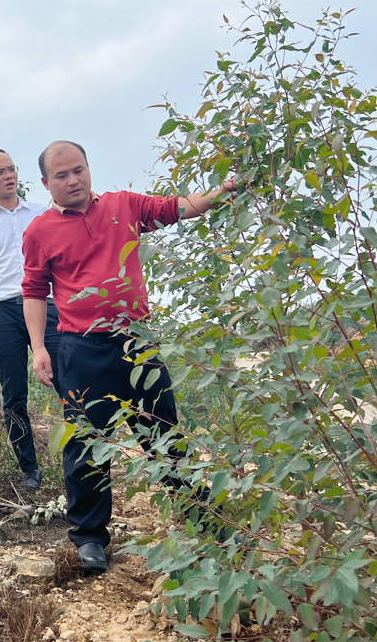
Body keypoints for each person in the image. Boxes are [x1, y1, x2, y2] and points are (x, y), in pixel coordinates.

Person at [21, 141, 236, 573]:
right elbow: (33, 290)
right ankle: (89, 539)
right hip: (81, 348)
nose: (73, 180)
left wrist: (224, 190)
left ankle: (203, 521)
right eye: (61, 176)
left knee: (164, 434)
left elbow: (179, 207)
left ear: (88, 169)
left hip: (137, 343)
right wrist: (40, 348)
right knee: (84, 444)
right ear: (46, 183)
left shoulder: (125, 206)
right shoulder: (39, 231)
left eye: (78, 170)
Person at [0, 148, 60, 493]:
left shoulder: (43, 212)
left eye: (12, 168)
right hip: (3, 312)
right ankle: (29, 470)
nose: (9, 175)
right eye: (0, 171)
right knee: (14, 393)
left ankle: (85, 460)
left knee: (69, 383)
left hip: (46, 305)